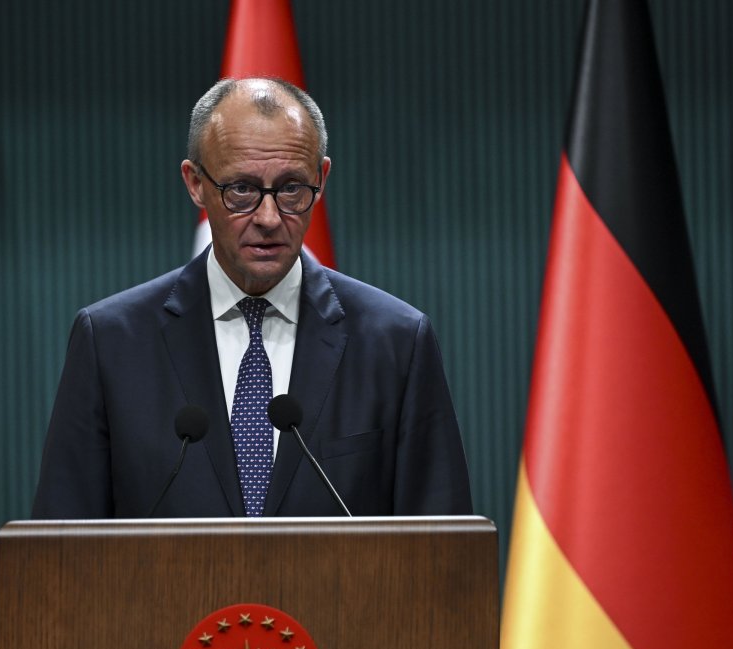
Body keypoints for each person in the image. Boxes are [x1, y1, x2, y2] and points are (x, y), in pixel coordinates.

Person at [31, 78, 471, 518]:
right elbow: (63, 543)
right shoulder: (111, 343)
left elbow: (441, 543)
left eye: (292, 188)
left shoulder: (395, 342)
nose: (269, 217)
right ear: (195, 183)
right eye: (241, 189)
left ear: (321, 180)